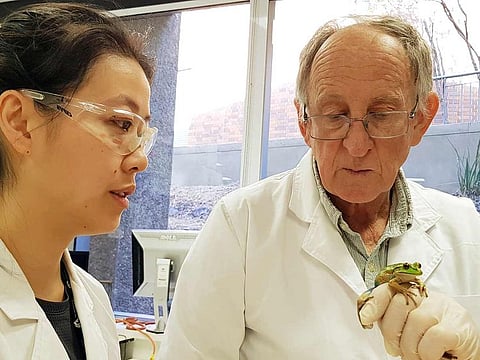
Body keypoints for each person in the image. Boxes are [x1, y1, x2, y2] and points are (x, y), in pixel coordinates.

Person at [160, 15, 480, 359]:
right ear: (304, 122)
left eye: (382, 114)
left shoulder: (465, 227)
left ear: (421, 119)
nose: (357, 145)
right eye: (334, 115)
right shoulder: (242, 225)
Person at [0, 3, 157, 359]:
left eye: (141, 133)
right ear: (21, 122)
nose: (140, 160)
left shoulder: (92, 299)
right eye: (121, 123)